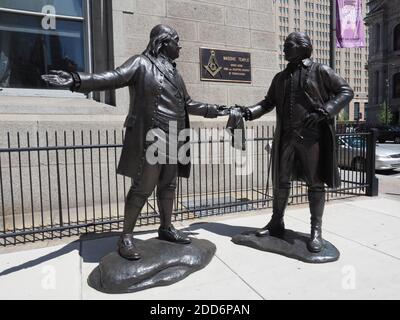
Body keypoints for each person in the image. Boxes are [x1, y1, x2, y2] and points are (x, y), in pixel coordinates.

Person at [42, 24, 227, 260]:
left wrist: (214, 109)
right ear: (163, 42)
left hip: (176, 135)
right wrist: (77, 80)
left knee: (169, 186)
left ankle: (167, 227)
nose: (179, 46)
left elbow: (188, 103)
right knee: (142, 188)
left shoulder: (175, 73)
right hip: (153, 135)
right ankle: (126, 237)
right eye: (176, 40)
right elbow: (112, 77)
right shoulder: (140, 63)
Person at [241, 32, 354, 252]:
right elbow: (267, 103)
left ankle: (316, 230)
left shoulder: (320, 71)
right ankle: (276, 223)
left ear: (302, 48)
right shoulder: (280, 78)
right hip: (285, 137)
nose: (284, 49)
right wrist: (247, 112)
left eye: (288, 46)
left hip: (311, 138)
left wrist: (326, 111)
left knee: (315, 183)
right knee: (281, 181)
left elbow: (346, 91)